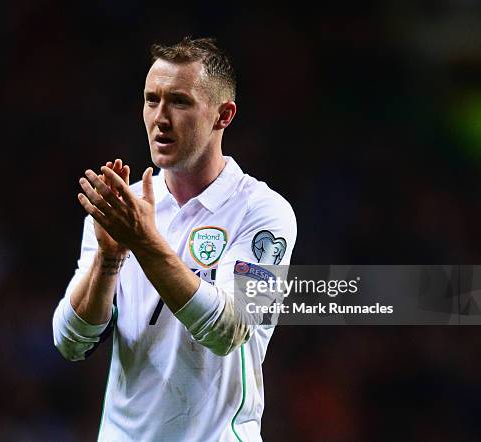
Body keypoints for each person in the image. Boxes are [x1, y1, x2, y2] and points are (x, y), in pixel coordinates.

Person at [52, 37, 297, 441]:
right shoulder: (123, 209)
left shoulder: (263, 213)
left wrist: (145, 243)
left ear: (223, 115)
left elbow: (229, 330)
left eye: (179, 102)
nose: (160, 117)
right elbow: (69, 343)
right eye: (152, 100)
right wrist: (108, 261)